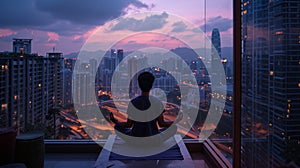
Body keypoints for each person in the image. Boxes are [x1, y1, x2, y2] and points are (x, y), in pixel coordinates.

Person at [110, 72, 182, 142]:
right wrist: (176, 121)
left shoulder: (133, 102)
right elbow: (162, 124)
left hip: (135, 140)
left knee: (117, 128)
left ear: (139, 85)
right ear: (151, 85)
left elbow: (129, 125)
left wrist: (116, 122)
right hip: (154, 140)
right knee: (174, 128)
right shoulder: (157, 102)